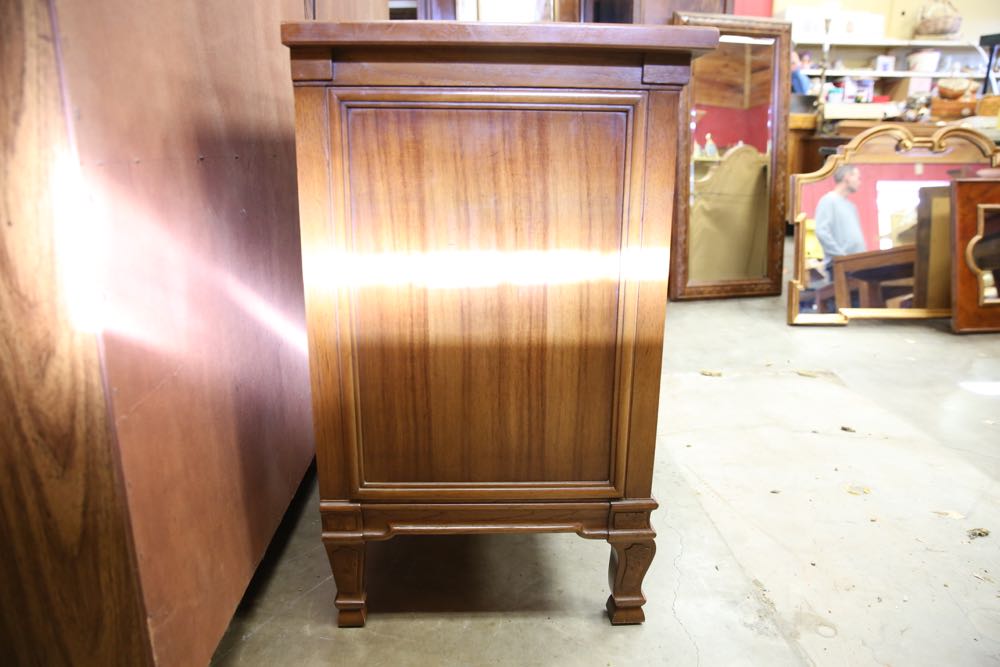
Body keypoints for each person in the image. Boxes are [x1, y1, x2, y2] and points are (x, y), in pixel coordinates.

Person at [814, 165, 866, 272]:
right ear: (847, 177)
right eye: (858, 178)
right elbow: (822, 232)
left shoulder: (852, 207)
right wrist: (841, 257)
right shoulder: (828, 201)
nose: (859, 182)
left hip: (856, 266)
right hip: (840, 267)